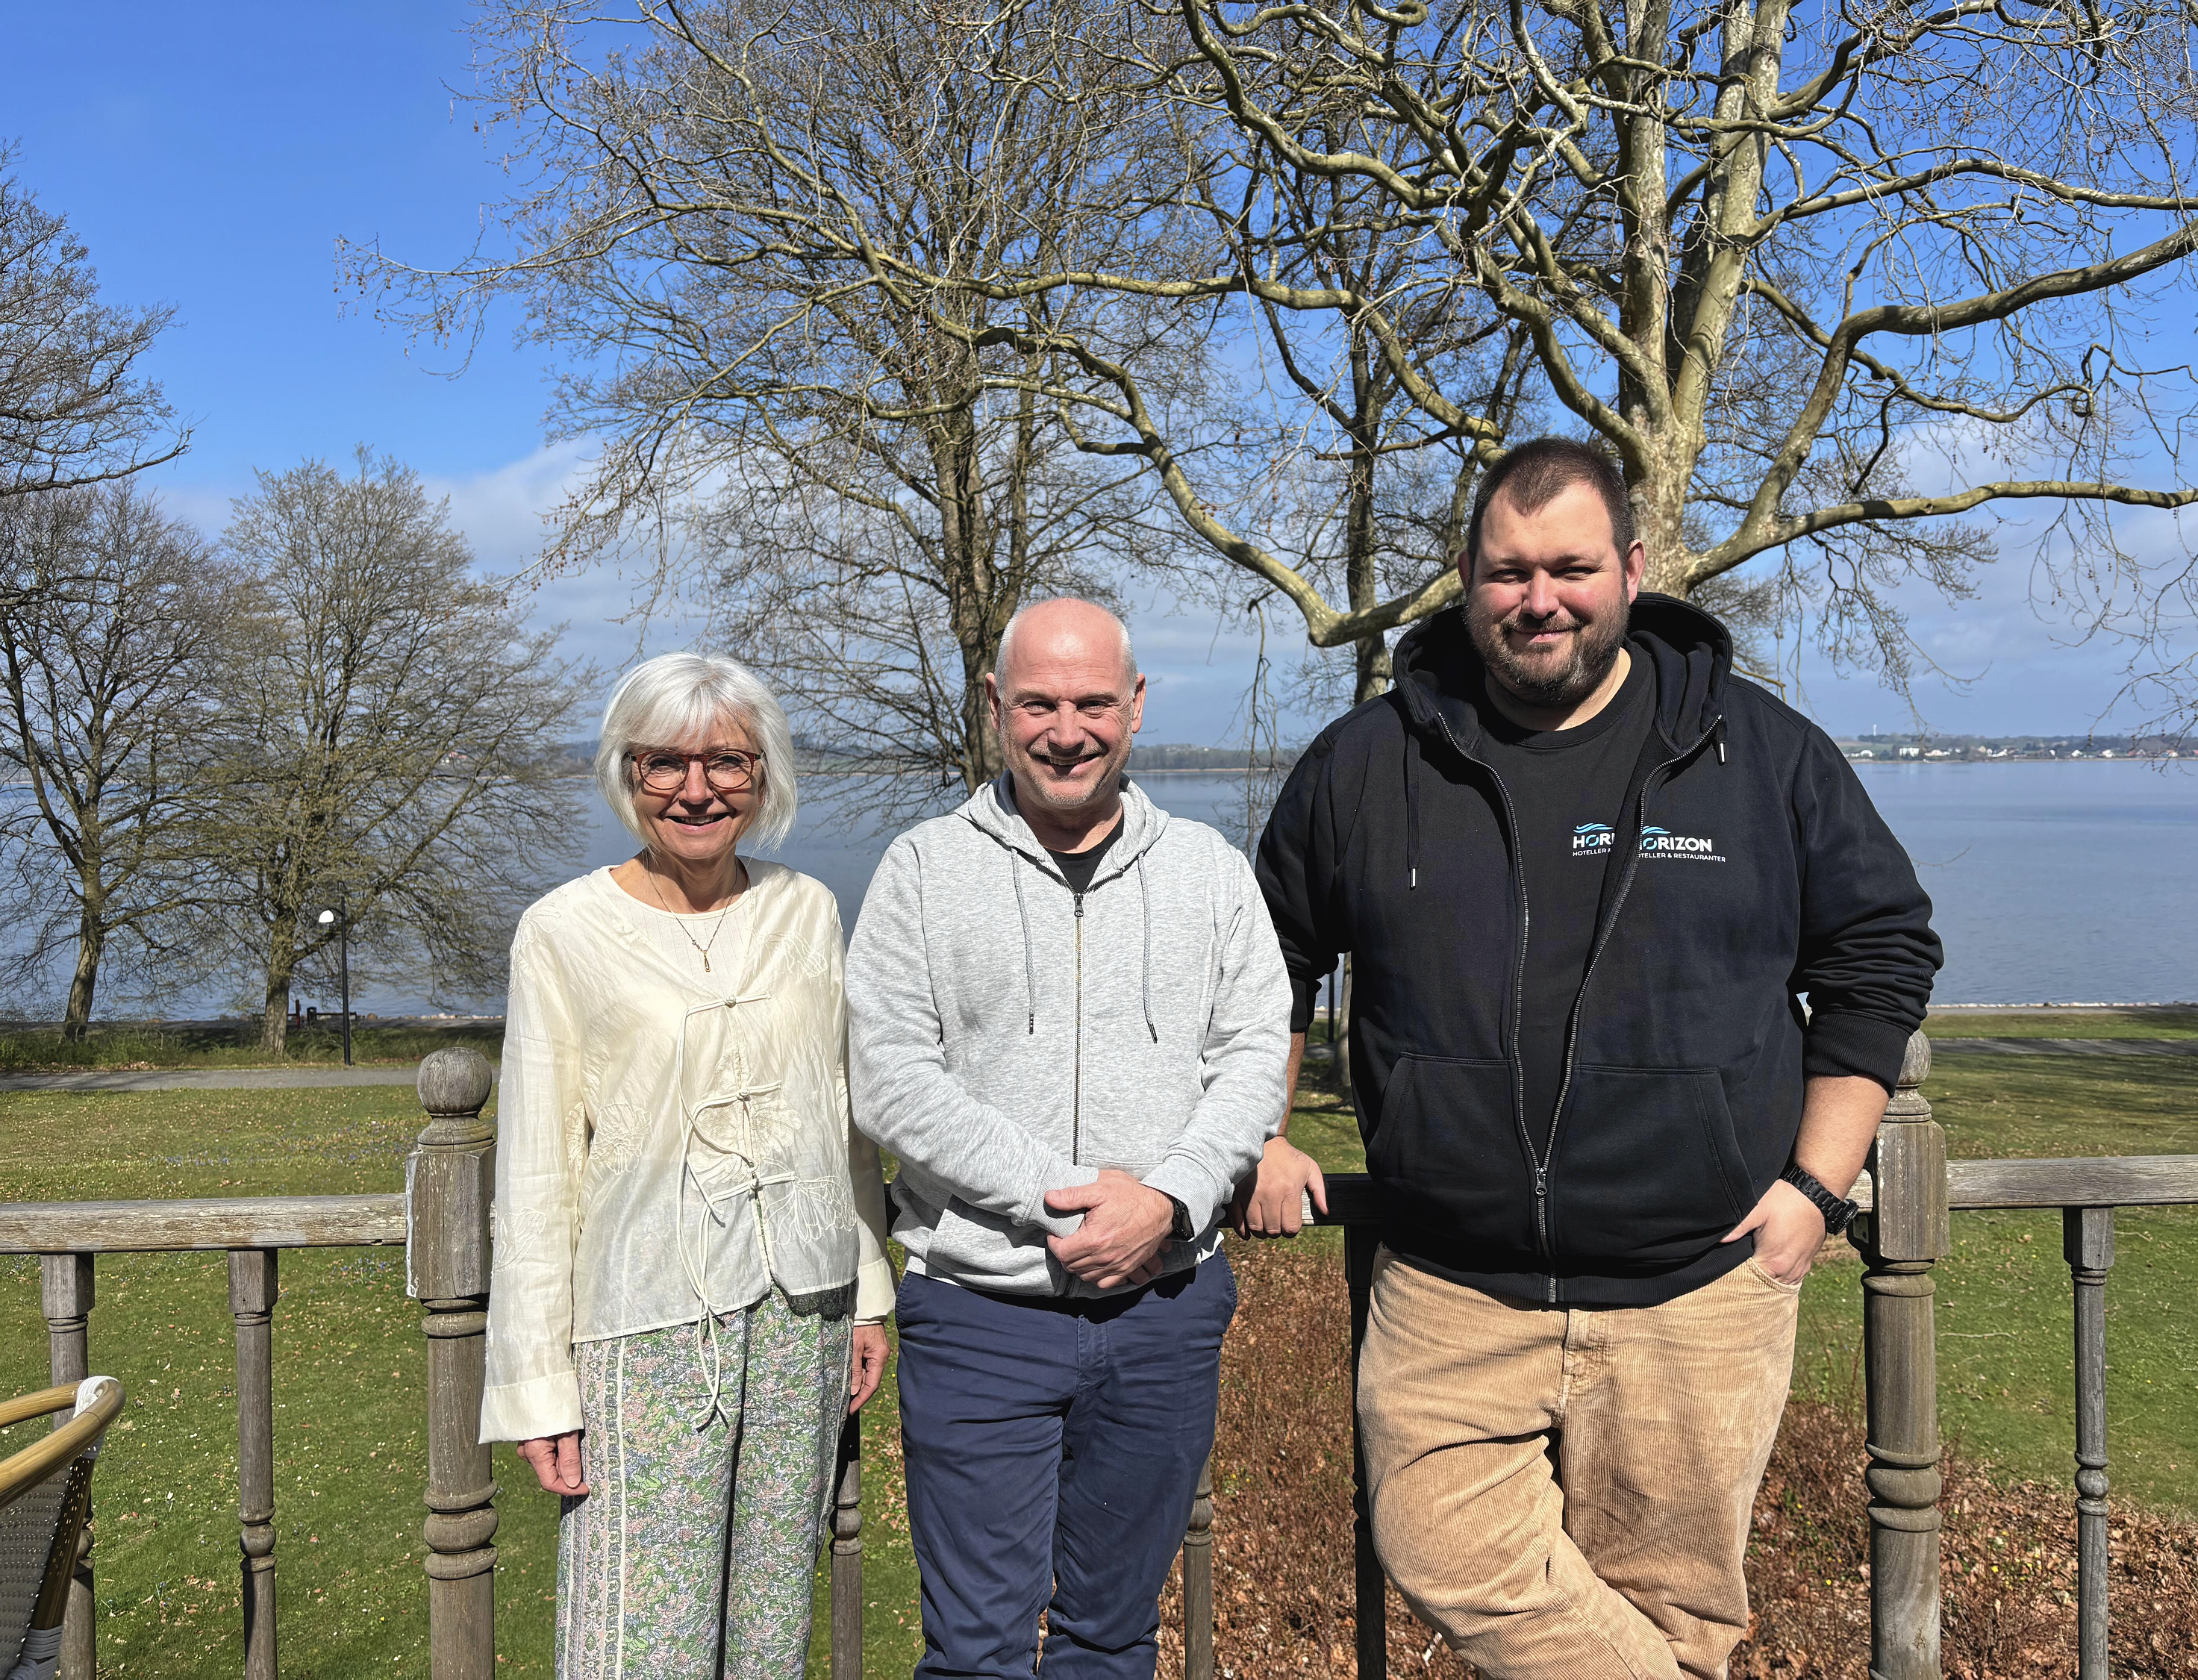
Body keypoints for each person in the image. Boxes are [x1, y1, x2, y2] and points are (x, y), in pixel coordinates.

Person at [1246, 439, 1942, 1680]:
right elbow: (1263, 960)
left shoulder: (1758, 753)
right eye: (1508, 572)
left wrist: (1815, 1190)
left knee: (1680, 1621)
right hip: (1451, 1289)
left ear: (1630, 569)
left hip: (1700, 1290)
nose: (1539, 600)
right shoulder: (1368, 763)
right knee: (1439, 1542)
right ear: (1466, 577)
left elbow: (1879, 955)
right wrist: (1262, 1127)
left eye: (1570, 566)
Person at [847, 598, 1293, 1680]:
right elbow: (890, 1080)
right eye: (1038, 703)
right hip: (980, 1315)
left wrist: (1172, 1199)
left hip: (1165, 1313)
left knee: (1111, 1637)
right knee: (974, 1652)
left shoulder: (1209, 870)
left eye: (1093, 701)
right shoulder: (921, 870)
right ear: (996, 707)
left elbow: (1251, 1053)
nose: (1066, 729)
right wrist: (1070, 1195)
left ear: (1135, 708)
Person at [481, 652, 896, 1680]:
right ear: (627, 772)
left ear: (765, 776)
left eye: (728, 762)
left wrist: (870, 1292)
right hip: (650, 1333)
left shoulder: (806, 913)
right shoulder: (564, 932)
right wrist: (539, 1385)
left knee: (768, 1630)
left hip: (804, 1318)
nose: (698, 789)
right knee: (638, 1639)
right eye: (665, 762)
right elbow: (535, 1174)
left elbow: (837, 1121)